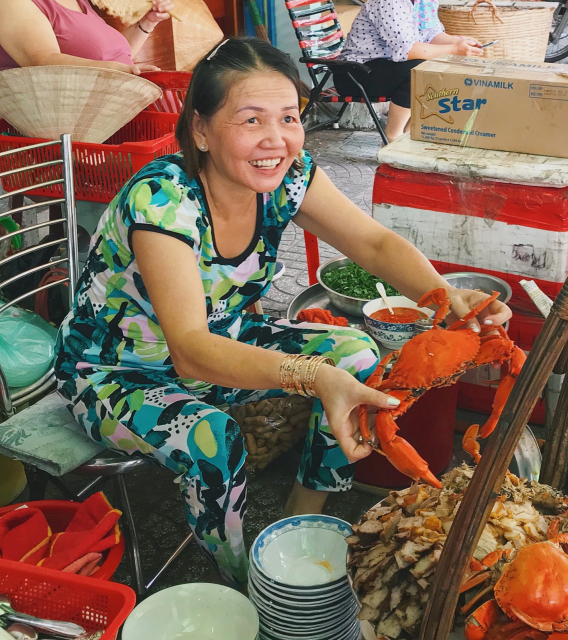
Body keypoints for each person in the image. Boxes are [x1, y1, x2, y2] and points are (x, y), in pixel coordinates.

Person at [54, 37, 512, 587]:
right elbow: (191, 350)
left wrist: (445, 295)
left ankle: (302, 513)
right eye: (251, 120)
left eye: (290, 118)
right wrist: (313, 378)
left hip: (227, 342)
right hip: (117, 375)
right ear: (200, 130)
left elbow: (374, 245)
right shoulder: (163, 201)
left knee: (359, 354)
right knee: (214, 440)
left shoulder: (288, 175)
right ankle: (243, 577)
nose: (276, 140)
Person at [334, 0, 484, 142]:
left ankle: (406, 135)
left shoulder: (423, 4)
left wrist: (458, 42)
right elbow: (406, 51)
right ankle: (392, 137)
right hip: (354, 73)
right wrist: (454, 49)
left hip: (386, 67)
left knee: (435, 68)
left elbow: (432, 36)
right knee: (418, 71)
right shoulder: (390, 2)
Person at [0, 0, 174, 74]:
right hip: (66, 127)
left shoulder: (81, 2)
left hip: (113, 110)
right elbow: (41, 62)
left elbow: (111, 55)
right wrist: (116, 72)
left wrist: (147, 22)